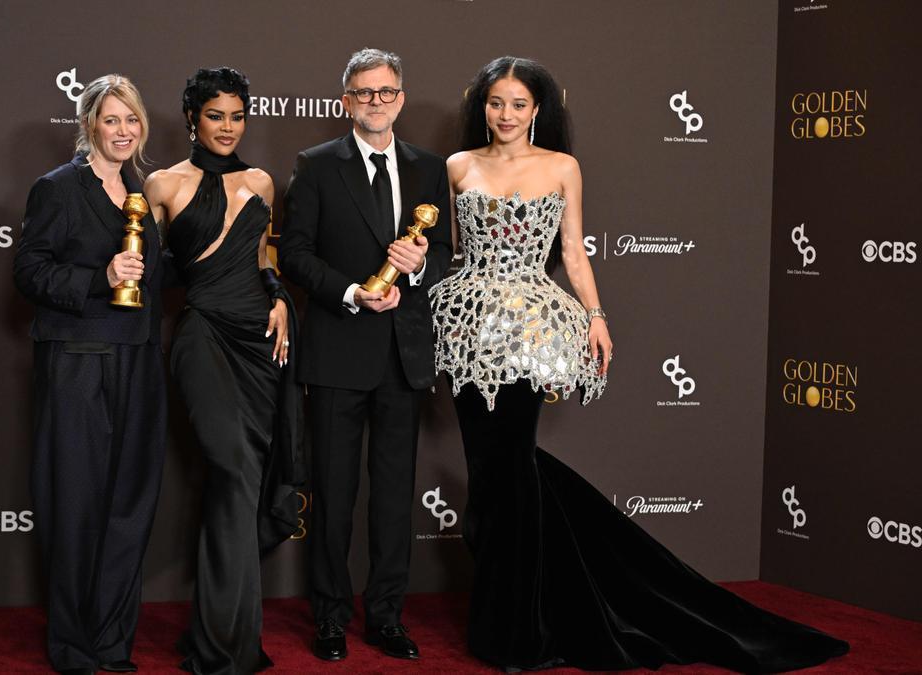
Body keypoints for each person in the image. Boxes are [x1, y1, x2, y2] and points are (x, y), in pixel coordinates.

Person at [431, 56, 849, 673]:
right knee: (491, 471)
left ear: (539, 109)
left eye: (519, 104)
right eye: (496, 103)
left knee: (511, 468)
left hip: (529, 330)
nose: (507, 115)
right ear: (482, 106)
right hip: (467, 326)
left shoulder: (562, 167)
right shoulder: (457, 166)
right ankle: (516, 617)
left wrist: (596, 316)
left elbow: (573, 250)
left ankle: (517, 631)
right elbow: (453, 249)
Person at [279, 48, 453, 663]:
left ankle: (385, 616)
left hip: (403, 358)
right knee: (332, 494)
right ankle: (329, 617)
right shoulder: (317, 165)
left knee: (391, 496)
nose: (375, 102)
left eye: (385, 92)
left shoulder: (430, 168)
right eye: (362, 92)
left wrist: (422, 266)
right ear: (345, 100)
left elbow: (451, 256)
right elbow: (295, 254)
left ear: (400, 98)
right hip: (337, 352)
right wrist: (353, 292)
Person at [144, 66, 304, 675]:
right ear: (192, 117)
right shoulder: (161, 185)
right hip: (204, 335)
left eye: (238, 117)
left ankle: (218, 635)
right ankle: (224, 645)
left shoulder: (262, 181)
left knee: (242, 486)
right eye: (216, 116)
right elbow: (152, 270)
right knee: (232, 470)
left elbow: (266, 253)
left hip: (260, 342)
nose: (228, 128)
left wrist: (282, 297)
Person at [14, 75, 166, 675]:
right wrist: (97, 278)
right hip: (78, 361)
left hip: (139, 358)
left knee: (128, 505)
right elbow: (29, 271)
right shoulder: (57, 188)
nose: (123, 131)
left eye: (132, 120)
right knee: (76, 502)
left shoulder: (138, 189)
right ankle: (73, 645)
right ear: (88, 125)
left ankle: (110, 641)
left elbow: (160, 273)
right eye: (111, 120)